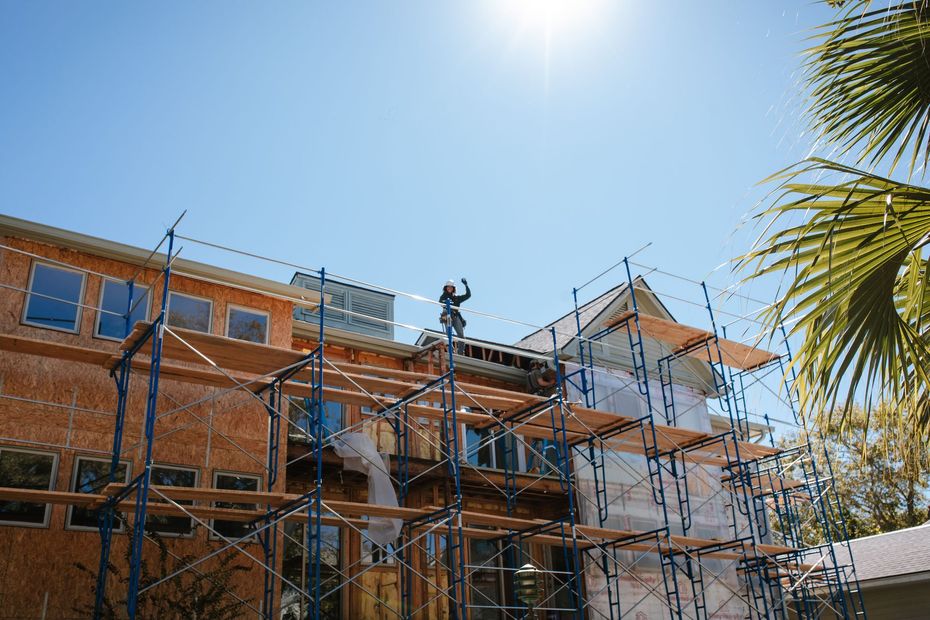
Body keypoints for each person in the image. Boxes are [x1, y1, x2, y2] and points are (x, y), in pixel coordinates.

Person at [439, 278, 471, 354]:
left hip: (456, 316)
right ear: (446, 288)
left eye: (451, 287)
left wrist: (466, 285)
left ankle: (460, 353)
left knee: (461, 336)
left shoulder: (457, 298)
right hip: (447, 316)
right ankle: (451, 351)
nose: (449, 288)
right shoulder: (443, 296)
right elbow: (440, 302)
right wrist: (446, 302)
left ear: (453, 288)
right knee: (448, 335)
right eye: (448, 287)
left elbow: (468, 295)